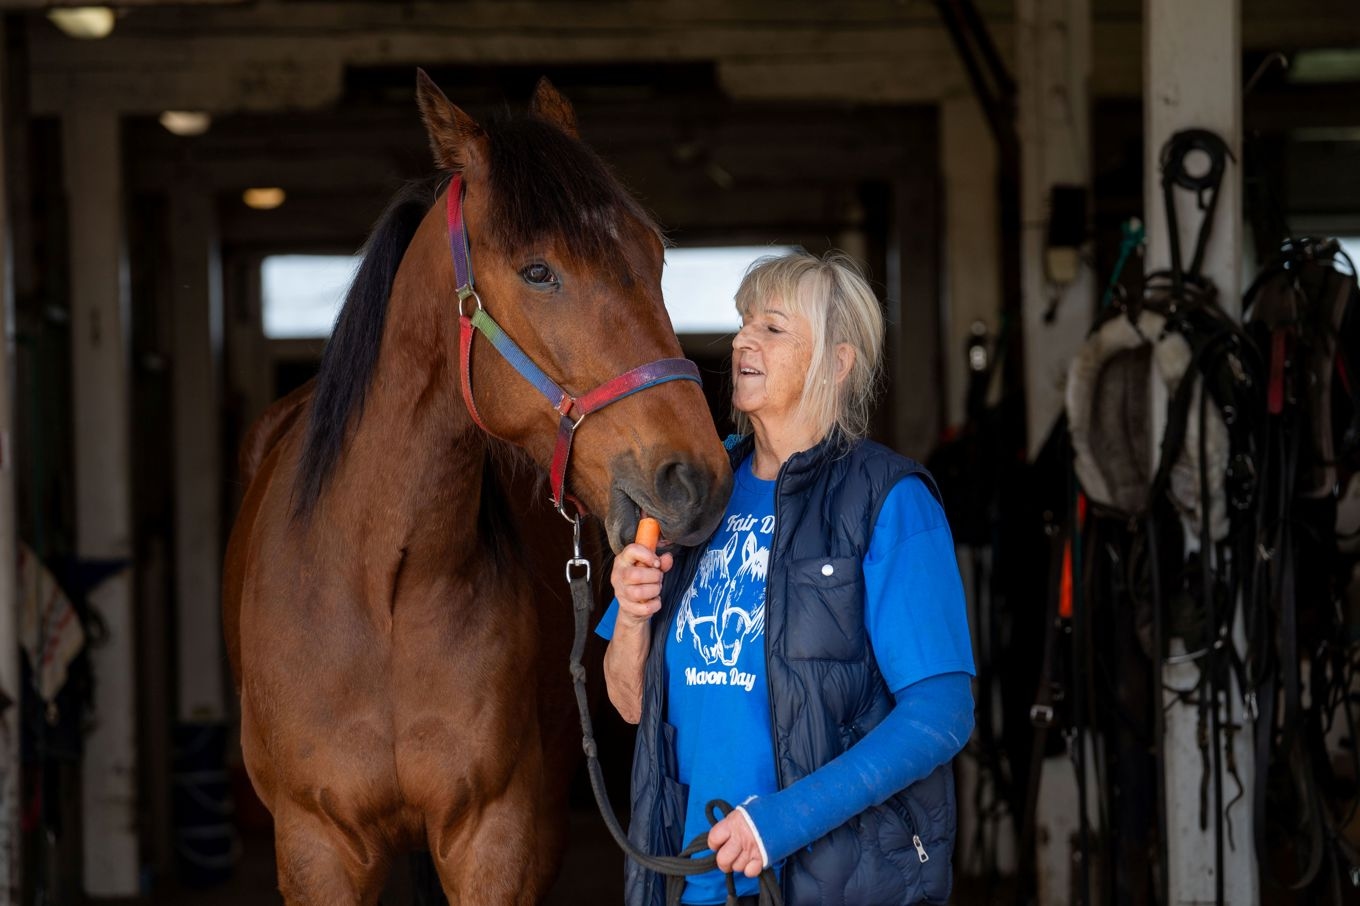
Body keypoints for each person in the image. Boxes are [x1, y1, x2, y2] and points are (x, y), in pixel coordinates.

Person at [596, 250, 976, 906]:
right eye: (744, 322)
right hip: (692, 883)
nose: (743, 338)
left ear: (837, 362)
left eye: (773, 327)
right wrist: (630, 617)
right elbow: (633, 706)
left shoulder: (887, 499)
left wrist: (779, 824)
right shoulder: (695, 495)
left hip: (834, 882)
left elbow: (941, 714)